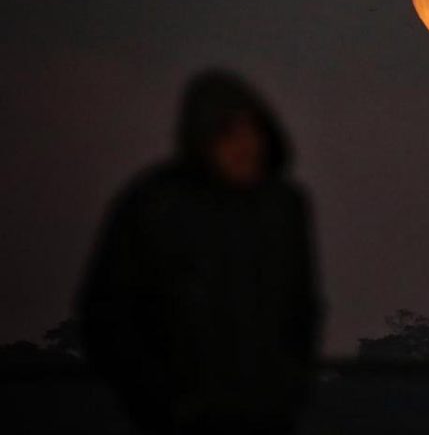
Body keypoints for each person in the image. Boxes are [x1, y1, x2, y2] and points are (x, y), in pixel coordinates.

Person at [76, 69, 324, 434]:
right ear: (202, 140)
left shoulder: (282, 207)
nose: (245, 144)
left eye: (251, 131)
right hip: (182, 417)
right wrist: (160, 403)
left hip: (266, 417)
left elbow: (302, 305)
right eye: (228, 133)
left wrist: (289, 390)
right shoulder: (155, 204)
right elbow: (106, 314)